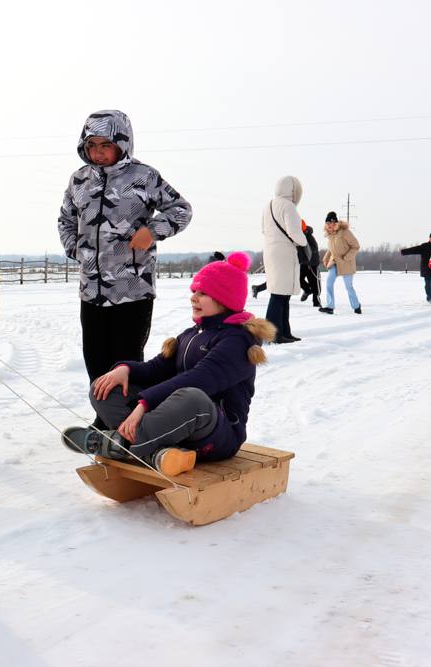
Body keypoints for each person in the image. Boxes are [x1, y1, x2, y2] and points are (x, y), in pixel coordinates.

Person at [61, 252, 275, 476]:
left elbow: (199, 379)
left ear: (225, 299)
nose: (194, 297)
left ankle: (122, 445)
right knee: (104, 388)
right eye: (194, 291)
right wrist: (125, 369)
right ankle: (157, 454)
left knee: (192, 397)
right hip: (175, 427)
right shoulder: (191, 335)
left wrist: (144, 404)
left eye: (203, 293)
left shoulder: (238, 341)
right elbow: (156, 369)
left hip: (217, 434)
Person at [57, 109, 192, 423]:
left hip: (133, 290)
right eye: (92, 145)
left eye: (105, 145)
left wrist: (152, 231)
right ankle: (104, 419)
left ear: (122, 143)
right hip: (91, 289)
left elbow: (181, 210)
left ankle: (129, 420)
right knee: (96, 361)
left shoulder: (144, 177)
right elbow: (66, 219)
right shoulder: (78, 179)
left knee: (126, 363)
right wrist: (75, 248)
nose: (98, 152)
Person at [261, 176, 308, 342]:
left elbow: (263, 230)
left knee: (281, 294)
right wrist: (304, 241)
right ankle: (274, 334)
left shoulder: (268, 205)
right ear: (294, 191)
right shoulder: (289, 206)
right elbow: (295, 233)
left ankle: (284, 332)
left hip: (270, 251)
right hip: (285, 253)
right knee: (280, 295)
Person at [318, 215, 361, 314]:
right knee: (329, 282)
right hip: (335, 262)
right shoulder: (330, 234)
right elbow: (332, 248)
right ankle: (330, 306)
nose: (328, 225)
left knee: (348, 287)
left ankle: (356, 306)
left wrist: (346, 257)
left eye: (330, 223)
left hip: (346, 263)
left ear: (335, 223)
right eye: (327, 223)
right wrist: (326, 258)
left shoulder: (345, 232)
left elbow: (356, 246)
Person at [400, 231, 431, 303]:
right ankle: (429, 299)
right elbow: (414, 249)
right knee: (427, 286)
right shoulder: (424, 246)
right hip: (426, 269)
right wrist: (404, 251)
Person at [299, 220, 322, 307]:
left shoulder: (309, 236)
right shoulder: (298, 236)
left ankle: (316, 302)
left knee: (315, 284)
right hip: (303, 263)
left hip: (312, 264)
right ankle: (307, 290)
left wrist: (310, 262)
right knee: (298, 279)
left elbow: (314, 250)